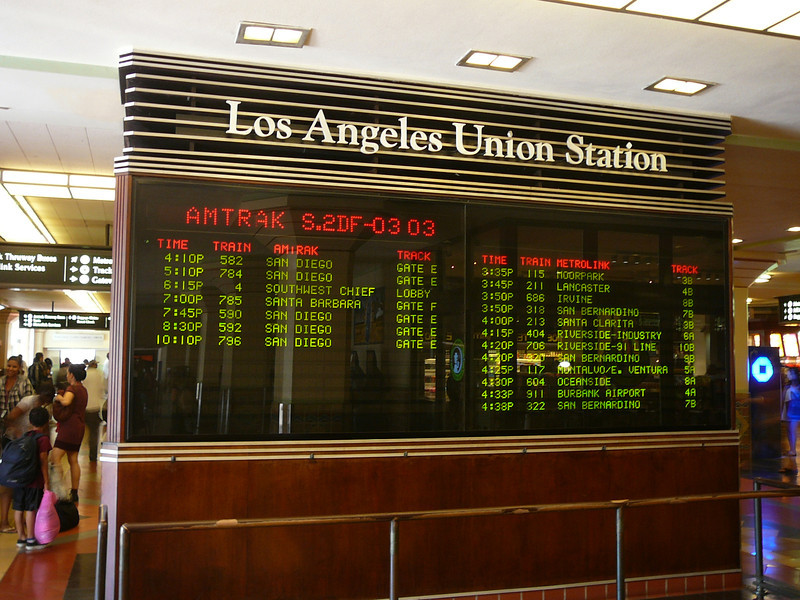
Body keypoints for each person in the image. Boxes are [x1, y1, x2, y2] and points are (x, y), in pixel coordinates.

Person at [0, 382, 56, 531]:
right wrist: (20, 436)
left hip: (28, 445)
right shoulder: (28, 402)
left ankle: (25, 520)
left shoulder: (44, 408)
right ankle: (4, 521)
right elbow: (10, 418)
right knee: (9, 484)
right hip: (15, 444)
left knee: (24, 482)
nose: (45, 401)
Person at [0, 356, 35, 533]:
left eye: (14, 366)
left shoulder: (24, 383)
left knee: (12, 474)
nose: (10, 369)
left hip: (18, 434)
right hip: (3, 432)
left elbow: (28, 405)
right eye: (8, 365)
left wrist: (14, 419)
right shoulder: (0, 382)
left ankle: (14, 520)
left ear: (19, 368)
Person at [13, 406, 52, 551]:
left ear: (30, 421)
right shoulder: (43, 439)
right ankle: (31, 539)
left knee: (18, 507)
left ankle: (21, 537)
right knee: (30, 509)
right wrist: (46, 481)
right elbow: (43, 461)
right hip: (34, 481)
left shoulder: (25, 436)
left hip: (20, 480)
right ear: (46, 422)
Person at [50, 364, 88, 503]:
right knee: (73, 459)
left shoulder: (72, 389)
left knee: (55, 457)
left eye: (68, 373)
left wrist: (58, 397)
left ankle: (59, 490)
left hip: (69, 427)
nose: (67, 375)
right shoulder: (83, 390)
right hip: (79, 427)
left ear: (71, 375)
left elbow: (66, 401)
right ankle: (74, 491)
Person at [83, 360, 104, 461]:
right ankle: (93, 455)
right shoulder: (99, 374)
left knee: (82, 432)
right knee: (94, 433)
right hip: (95, 407)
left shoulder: (85, 374)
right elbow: (102, 389)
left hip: (84, 407)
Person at [783, 367, 800, 457]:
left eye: (790, 374)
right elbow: (783, 398)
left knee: (792, 430)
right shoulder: (787, 386)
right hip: (788, 410)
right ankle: (791, 449)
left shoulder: (798, 387)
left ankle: (793, 450)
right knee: (789, 430)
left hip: (795, 411)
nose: (788, 375)